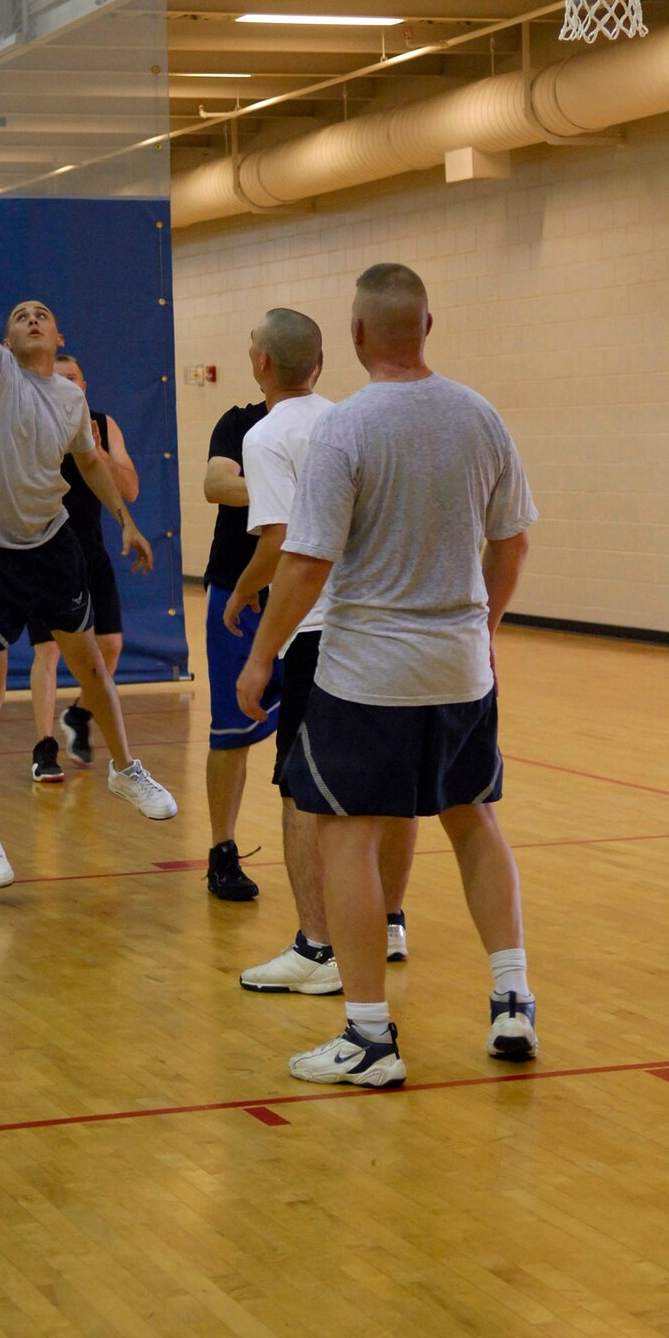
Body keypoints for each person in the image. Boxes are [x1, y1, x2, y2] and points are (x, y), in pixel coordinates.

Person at [236, 262, 538, 1090]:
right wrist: (487, 628)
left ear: (360, 335)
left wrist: (263, 652)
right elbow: (512, 544)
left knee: (349, 835)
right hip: (460, 665)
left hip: (369, 672)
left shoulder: (349, 426)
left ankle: (369, 1037)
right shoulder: (481, 416)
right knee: (472, 819)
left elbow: (305, 561)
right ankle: (512, 999)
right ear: (428, 327)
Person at [0, 176, 176, 889]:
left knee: (91, 663)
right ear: (4, 336)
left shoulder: (71, 395)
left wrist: (126, 523)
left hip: (51, 542)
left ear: (58, 337)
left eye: (43, 315)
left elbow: (89, 463)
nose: (32, 317)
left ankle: (125, 769)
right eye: (22, 313)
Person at [225, 308, 417, 997]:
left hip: (320, 632)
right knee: (390, 789)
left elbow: (281, 538)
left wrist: (245, 595)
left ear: (262, 364)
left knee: (303, 792)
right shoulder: (353, 419)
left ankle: (316, 948)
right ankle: (388, 922)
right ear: (321, 363)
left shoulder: (269, 433)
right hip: (384, 628)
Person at [28, 354, 139, 782]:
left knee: (110, 646)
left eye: (72, 378)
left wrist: (98, 451)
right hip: (43, 550)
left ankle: (78, 714)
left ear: (84, 385)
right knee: (49, 651)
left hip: (90, 549)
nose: (65, 386)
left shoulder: (102, 424)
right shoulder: (30, 423)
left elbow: (128, 487)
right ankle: (43, 749)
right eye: (57, 379)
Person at [202, 394, 280, 902]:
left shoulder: (331, 421)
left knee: (317, 726)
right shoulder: (241, 421)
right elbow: (217, 485)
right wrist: (283, 494)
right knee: (231, 729)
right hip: (237, 584)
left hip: (313, 591)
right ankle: (222, 850)